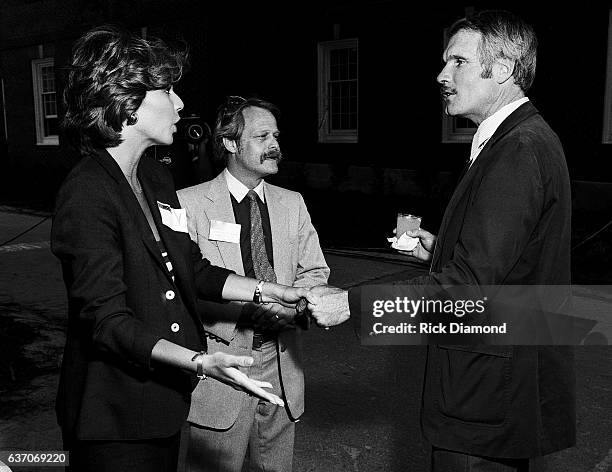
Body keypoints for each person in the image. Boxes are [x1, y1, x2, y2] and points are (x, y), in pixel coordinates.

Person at [308, 10, 576, 472]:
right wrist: (442, 249)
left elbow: (470, 286)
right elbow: (508, 262)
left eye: (458, 62)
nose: (441, 75)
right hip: (496, 391)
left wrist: (353, 302)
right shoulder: (517, 139)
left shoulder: (517, 149)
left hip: (486, 399)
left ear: (504, 69)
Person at [51, 25, 311, 472]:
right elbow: (106, 321)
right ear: (126, 102)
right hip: (112, 418)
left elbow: (192, 267)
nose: (180, 103)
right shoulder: (87, 193)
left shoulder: (155, 178)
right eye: (167, 90)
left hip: (164, 404)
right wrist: (200, 361)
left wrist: (268, 291)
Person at [177, 96, 329, 472]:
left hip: (282, 363)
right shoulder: (189, 204)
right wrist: (248, 307)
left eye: (275, 135)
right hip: (221, 367)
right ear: (230, 143)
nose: (274, 145)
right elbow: (185, 286)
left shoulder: (292, 203)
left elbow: (315, 272)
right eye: (262, 136)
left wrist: (290, 307)